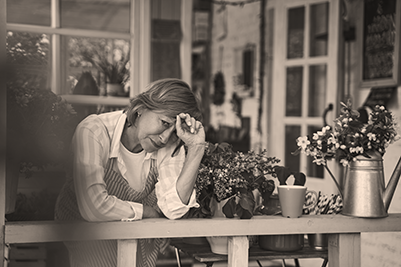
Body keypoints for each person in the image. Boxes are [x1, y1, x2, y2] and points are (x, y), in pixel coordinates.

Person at [55, 78, 205, 267]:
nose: (165, 138)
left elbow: (174, 208)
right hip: (88, 241)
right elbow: (93, 206)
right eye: (165, 123)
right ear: (141, 108)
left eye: (174, 132)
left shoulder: (169, 145)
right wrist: (149, 212)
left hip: (138, 244)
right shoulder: (94, 131)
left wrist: (196, 147)